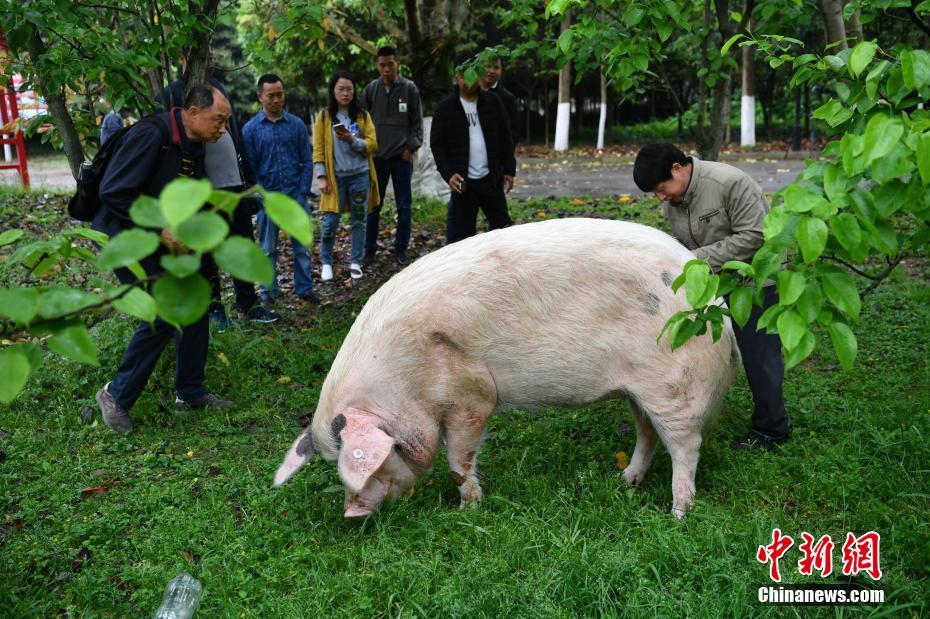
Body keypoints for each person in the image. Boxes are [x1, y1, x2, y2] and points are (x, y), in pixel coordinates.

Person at [92, 85, 236, 434]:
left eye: (227, 122)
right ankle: (115, 396)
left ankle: (190, 392)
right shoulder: (149, 135)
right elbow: (112, 192)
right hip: (124, 235)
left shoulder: (194, 143)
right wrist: (160, 231)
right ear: (193, 112)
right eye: (219, 120)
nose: (224, 129)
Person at [632, 143, 790, 451]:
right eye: (656, 194)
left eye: (662, 189)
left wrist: (693, 260)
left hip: (753, 283)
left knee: (759, 358)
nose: (661, 198)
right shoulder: (674, 201)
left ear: (678, 168)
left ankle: (773, 431)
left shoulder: (729, 183)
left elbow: (756, 236)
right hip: (713, 285)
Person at [160, 47, 278, 329]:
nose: (210, 60)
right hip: (201, 189)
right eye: (204, 55)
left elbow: (235, 136)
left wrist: (248, 178)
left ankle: (247, 302)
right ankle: (213, 305)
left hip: (233, 185)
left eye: (212, 56)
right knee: (206, 248)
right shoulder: (172, 94)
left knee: (242, 243)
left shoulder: (218, 88)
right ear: (182, 59)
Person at [242, 74, 321, 304]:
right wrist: (261, 196)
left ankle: (305, 289)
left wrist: (302, 189)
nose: (277, 100)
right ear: (260, 97)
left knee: (302, 247)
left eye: (280, 94)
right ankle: (268, 292)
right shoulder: (251, 130)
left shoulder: (295, 125)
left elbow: (306, 160)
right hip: (268, 199)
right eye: (271, 96)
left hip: (295, 197)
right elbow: (250, 167)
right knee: (267, 249)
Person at [431, 52, 516, 244]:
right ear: (456, 76)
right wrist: (449, 174)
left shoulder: (493, 103)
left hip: (491, 178)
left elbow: (505, 137)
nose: (468, 81)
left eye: (473, 74)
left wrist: (509, 170)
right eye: (463, 75)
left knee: (503, 230)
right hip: (463, 182)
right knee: (461, 238)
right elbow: (438, 145)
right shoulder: (445, 108)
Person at [313, 71, 379, 281]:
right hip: (335, 179)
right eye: (341, 89)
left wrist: (352, 139)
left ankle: (355, 261)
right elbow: (319, 150)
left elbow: (372, 144)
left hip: (360, 175)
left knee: (359, 220)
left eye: (349, 89)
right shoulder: (324, 117)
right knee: (330, 221)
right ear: (333, 91)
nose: (345, 93)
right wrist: (321, 176)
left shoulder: (362, 115)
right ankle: (326, 263)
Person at [360, 46, 423, 266]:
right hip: (377, 158)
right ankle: (369, 250)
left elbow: (417, 123)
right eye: (382, 65)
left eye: (390, 64)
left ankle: (400, 249)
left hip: (401, 157)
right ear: (377, 66)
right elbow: (362, 122)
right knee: (373, 206)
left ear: (397, 63)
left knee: (403, 205)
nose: (386, 69)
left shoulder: (409, 89)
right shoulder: (370, 90)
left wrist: (411, 148)